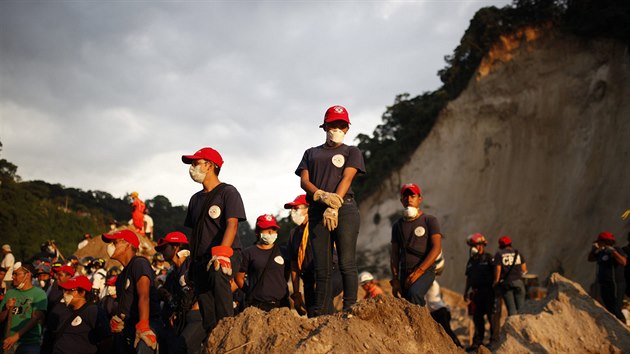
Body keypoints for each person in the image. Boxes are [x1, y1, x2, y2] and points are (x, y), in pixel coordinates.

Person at [295, 105, 366, 316]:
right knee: (322, 266)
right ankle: (321, 312)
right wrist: (320, 195)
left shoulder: (352, 151)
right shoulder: (311, 153)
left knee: (346, 261)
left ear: (346, 129)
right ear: (325, 126)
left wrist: (334, 204)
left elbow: (347, 177)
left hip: (345, 210)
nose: (337, 128)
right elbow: (304, 181)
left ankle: (350, 308)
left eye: (341, 125)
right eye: (333, 124)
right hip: (317, 210)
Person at [182, 147, 247, 336]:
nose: (192, 168)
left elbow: (232, 225)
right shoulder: (195, 200)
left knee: (218, 273)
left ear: (209, 166)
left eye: (195, 163)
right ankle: (214, 337)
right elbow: (195, 234)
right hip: (201, 259)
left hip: (227, 254)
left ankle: (229, 329)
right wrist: (190, 264)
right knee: (206, 306)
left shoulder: (228, 192)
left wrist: (222, 253)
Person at [102, 229, 162, 353]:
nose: (110, 246)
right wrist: (119, 320)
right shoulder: (121, 278)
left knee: (144, 347)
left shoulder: (139, 263)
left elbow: (144, 296)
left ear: (127, 245)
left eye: (115, 242)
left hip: (148, 322)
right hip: (132, 325)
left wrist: (144, 325)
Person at [284, 194, 342, 317]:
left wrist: (319, 279)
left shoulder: (319, 226)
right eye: (292, 210)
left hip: (330, 273)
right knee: (313, 315)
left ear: (308, 209)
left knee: (324, 304)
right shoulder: (294, 234)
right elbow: (294, 265)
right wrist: (296, 293)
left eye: (296, 208)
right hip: (309, 279)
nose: (293, 212)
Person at [390, 183, 442, 306]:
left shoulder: (430, 220)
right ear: (401, 200)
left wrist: (419, 272)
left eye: (412, 196)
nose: (409, 199)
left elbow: (436, 248)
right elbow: (394, 254)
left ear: (420, 198)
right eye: (405, 196)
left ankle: (421, 324)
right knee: (406, 302)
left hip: (425, 271)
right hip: (404, 272)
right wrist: (396, 279)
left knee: (415, 294)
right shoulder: (397, 225)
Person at [155, 232, 204, 354]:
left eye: (164, 248)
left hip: (197, 317)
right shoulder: (172, 274)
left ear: (176, 247)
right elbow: (172, 298)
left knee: (182, 347)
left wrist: (195, 308)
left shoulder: (192, 265)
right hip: (179, 319)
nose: (161, 252)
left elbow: (205, 287)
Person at [236, 215, 289, 312]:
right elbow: (239, 278)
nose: (270, 232)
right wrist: (250, 291)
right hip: (257, 306)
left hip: (281, 305)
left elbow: (286, 274)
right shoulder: (248, 253)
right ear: (257, 232)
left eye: (273, 229)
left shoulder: (283, 251)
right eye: (266, 229)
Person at [46, 276, 111, 353]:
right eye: (64, 290)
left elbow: (106, 338)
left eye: (69, 290)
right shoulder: (63, 309)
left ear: (82, 292)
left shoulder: (92, 311)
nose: (65, 294)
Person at [0, 262, 47, 354]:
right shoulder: (10, 293)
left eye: (16, 274)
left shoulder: (39, 294)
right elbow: (1, 318)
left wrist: (16, 337)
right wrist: (6, 309)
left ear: (28, 275)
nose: (12, 277)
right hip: (8, 342)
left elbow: (35, 319)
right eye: (13, 274)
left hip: (29, 344)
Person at [464, 233, 499, 351]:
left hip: (488, 291)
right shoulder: (471, 261)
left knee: (491, 316)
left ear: (482, 245)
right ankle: (477, 343)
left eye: (476, 245)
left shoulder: (489, 258)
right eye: (472, 245)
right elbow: (468, 278)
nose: (474, 247)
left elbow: (496, 272)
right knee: (477, 318)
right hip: (476, 293)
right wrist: (465, 292)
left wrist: (496, 286)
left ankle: (494, 341)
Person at [588, 231, 627, 321]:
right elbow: (590, 259)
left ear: (604, 241)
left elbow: (623, 262)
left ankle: (624, 328)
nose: (597, 243)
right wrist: (593, 249)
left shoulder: (616, 249)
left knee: (616, 308)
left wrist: (613, 252)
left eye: (598, 242)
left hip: (615, 284)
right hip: (604, 284)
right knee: (609, 308)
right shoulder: (602, 252)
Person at [493, 235, 527, 316]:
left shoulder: (499, 254)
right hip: (518, 282)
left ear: (500, 245)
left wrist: (496, 282)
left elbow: (498, 269)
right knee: (521, 309)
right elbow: (524, 270)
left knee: (512, 311)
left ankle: (514, 326)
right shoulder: (517, 253)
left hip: (506, 284)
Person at [425, 280, 463, 348]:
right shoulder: (430, 283)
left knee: (447, 331)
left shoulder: (432, 282)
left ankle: (459, 347)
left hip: (440, 311)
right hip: (436, 312)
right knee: (442, 331)